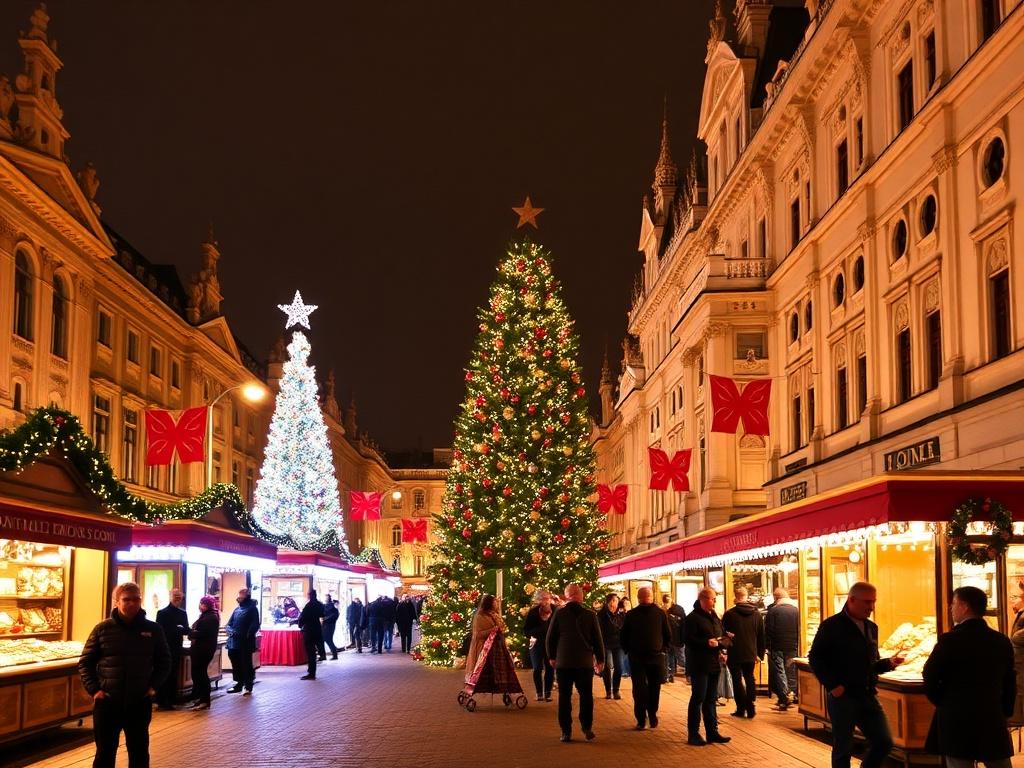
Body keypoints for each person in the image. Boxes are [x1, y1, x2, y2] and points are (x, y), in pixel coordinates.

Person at [808, 581, 904, 768]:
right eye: (867, 602)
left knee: (884, 742)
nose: (872, 607)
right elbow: (815, 657)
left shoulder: (871, 627)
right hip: (843, 696)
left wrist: (888, 663)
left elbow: (871, 663)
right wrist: (833, 686)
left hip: (867, 694)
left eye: (874, 602)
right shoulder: (832, 625)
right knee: (843, 747)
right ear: (851, 600)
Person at [78, 582, 171, 768]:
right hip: (107, 702)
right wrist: (95, 690)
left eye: (136, 599)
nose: (132, 603)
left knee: (139, 752)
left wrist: (153, 687)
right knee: (105, 752)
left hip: (139, 702)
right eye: (126, 599)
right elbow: (85, 662)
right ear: (116, 602)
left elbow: (165, 661)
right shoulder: (102, 629)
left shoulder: (153, 630)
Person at [923, 585, 1015, 768]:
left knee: (959, 763)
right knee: (999, 763)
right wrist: (1005, 710)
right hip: (991, 714)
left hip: (956, 717)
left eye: (953, 603)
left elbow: (929, 674)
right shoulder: (1001, 640)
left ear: (965, 606)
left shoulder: (949, 640)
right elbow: (1010, 679)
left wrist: (942, 700)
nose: (951, 608)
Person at [546, 583, 605, 743]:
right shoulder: (590, 614)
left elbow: (551, 637)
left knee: (564, 697)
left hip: (564, 662)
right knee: (586, 696)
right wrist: (600, 659)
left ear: (567, 596)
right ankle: (587, 726)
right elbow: (598, 640)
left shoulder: (559, 613)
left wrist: (552, 656)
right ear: (581, 596)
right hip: (584, 662)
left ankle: (566, 731)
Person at [685, 587, 732, 746]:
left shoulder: (715, 617)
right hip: (699, 664)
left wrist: (722, 647)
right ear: (703, 599)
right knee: (698, 697)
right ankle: (693, 733)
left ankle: (712, 732)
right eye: (713, 599)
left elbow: (723, 636)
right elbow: (687, 640)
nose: (715, 601)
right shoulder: (693, 618)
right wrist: (706, 643)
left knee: (711, 699)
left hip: (714, 663)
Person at [621, 587, 672, 730]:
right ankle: (643, 717)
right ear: (639, 598)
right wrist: (628, 650)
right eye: (643, 597)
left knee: (652, 688)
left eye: (647, 596)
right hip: (639, 657)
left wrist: (663, 649)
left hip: (653, 657)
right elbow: (624, 636)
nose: (645, 599)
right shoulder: (632, 615)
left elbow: (667, 634)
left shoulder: (659, 614)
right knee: (640, 689)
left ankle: (649, 714)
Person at [722, 586, 765, 719]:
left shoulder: (729, 614)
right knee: (749, 677)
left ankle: (742, 707)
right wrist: (760, 654)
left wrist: (724, 650)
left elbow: (724, 635)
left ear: (735, 596)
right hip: (751, 652)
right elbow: (761, 635)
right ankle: (751, 702)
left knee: (736, 679)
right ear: (746, 596)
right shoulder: (757, 614)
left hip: (735, 652)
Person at [765, 587, 800, 710]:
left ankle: (785, 696)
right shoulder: (796, 610)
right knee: (791, 669)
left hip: (777, 646)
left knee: (780, 671)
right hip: (793, 645)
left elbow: (769, 630)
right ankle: (793, 694)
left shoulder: (773, 611)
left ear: (776, 598)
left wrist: (767, 646)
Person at [154, 588, 189, 710]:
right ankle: (161, 700)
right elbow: (159, 631)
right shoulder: (162, 613)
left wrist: (180, 629)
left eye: (179, 597)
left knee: (174, 674)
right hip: (164, 648)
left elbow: (186, 629)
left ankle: (171, 700)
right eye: (175, 596)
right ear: (170, 596)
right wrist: (177, 629)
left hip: (176, 648)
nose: (177, 599)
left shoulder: (182, 613)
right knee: (164, 674)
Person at [225, 588, 260, 695]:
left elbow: (255, 624)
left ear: (246, 596)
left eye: (241, 595)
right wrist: (231, 631)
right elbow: (229, 624)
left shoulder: (252, 609)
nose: (239, 597)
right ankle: (238, 683)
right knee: (235, 663)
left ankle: (248, 685)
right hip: (233, 642)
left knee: (246, 663)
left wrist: (248, 634)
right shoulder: (236, 610)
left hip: (245, 642)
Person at [188, 595, 220, 710]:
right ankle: (201, 699)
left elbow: (202, 633)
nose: (200, 606)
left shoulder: (210, 618)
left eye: (201, 604)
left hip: (202, 650)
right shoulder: (209, 616)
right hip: (202, 649)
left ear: (205, 605)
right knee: (199, 674)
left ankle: (204, 700)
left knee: (200, 674)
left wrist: (190, 632)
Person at [524, 589, 557, 701]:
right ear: (538, 600)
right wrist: (541, 630)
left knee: (550, 668)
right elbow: (526, 631)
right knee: (537, 668)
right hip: (536, 643)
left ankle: (547, 694)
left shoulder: (555, 611)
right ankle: (539, 693)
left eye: (547, 598)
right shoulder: (533, 612)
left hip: (551, 644)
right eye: (543, 599)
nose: (546, 601)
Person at [466, 594, 506, 676]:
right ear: (489, 603)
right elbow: (478, 635)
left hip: (496, 647)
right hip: (483, 648)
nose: (497, 604)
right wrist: (494, 630)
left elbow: (501, 627)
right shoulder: (480, 616)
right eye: (495, 602)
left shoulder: (494, 615)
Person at [597, 593, 624, 700]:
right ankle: (608, 690)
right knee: (607, 667)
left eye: (616, 601)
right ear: (609, 602)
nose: (615, 604)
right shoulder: (601, 615)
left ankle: (616, 689)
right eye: (613, 601)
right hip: (606, 644)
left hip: (618, 644)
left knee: (619, 667)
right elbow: (599, 631)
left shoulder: (621, 614)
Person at [297, 589, 325, 680]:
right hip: (317, 628)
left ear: (310, 595)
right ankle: (321, 654)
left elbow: (303, 617)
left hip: (309, 630)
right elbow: (322, 614)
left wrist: (300, 625)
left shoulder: (308, 605)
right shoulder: (320, 604)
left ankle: (311, 673)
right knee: (315, 649)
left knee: (310, 653)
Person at [661, 593, 686, 682]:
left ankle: (690, 674)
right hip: (668, 639)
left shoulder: (678, 609)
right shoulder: (663, 610)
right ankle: (670, 675)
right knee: (670, 658)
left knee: (681, 659)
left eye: (668, 600)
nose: (666, 603)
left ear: (672, 599)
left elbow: (682, 624)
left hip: (678, 638)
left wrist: (683, 638)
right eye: (665, 601)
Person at [1009, 583, 1024, 728]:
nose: (1011, 601)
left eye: (1014, 597)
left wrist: (1015, 637)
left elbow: (1017, 637)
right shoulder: (1020, 614)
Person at [321, 595, 341, 660]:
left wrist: (325, 619)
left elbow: (335, 616)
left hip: (329, 625)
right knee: (325, 640)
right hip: (327, 625)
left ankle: (334, 655)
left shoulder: (331, 606)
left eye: (326, 597)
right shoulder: (326, 606)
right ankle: (324, 655)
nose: (325, 599)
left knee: (328, 640)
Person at [618, 597, 632, 678]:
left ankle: (628, 671)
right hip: (623, 638)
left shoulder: (632, 613)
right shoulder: (621, 614)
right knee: (624, 655)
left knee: (628, 656)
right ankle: (624, 671)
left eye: (628, 603)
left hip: (631, 638)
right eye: (626, 603)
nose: (628, 605)